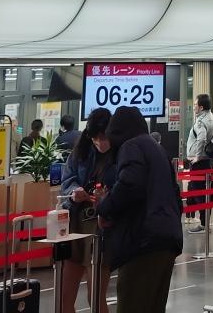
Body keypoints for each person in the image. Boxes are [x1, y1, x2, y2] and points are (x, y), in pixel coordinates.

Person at [98, 106, 184, 313]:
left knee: (132, 304)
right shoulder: (157, 148)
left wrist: (104, 206)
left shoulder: (131, 146)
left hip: (143, 242)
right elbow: (175, 195)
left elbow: (130, 184)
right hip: (167, 239)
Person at [60, 108, 115, 313]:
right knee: (63, 299)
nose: (100, 142)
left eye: (103, 137)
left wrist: (106, 198)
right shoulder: (81, 151)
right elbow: (67, 180)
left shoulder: (120, 153)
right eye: (95, 138)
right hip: (75, 224)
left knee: (96, 298)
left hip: (101, 229)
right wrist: (74, 191)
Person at [184, 94, 213, 234]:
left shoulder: (201, 121)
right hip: (208, 161)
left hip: (199, 163)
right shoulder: (212, 118)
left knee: (199, 192)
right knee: (205, 192)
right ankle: (205, 222)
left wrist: (197, 156)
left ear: (201, 107)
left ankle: (204, 224)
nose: (193, 107)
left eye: (195, 105)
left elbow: (202, 139)